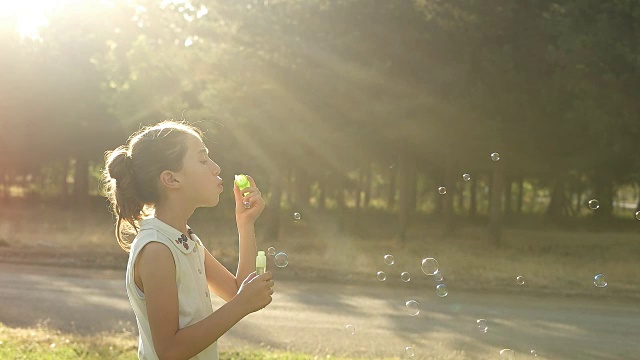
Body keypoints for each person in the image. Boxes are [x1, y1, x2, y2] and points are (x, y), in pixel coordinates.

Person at [101, 120, 273, 359]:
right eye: (203, 160)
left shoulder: (184, 239)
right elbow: (170, 351)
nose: (216, 168)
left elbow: (236, 291)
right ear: (171, 180)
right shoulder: (157, 249)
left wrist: (245, 222)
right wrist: (242, 304)